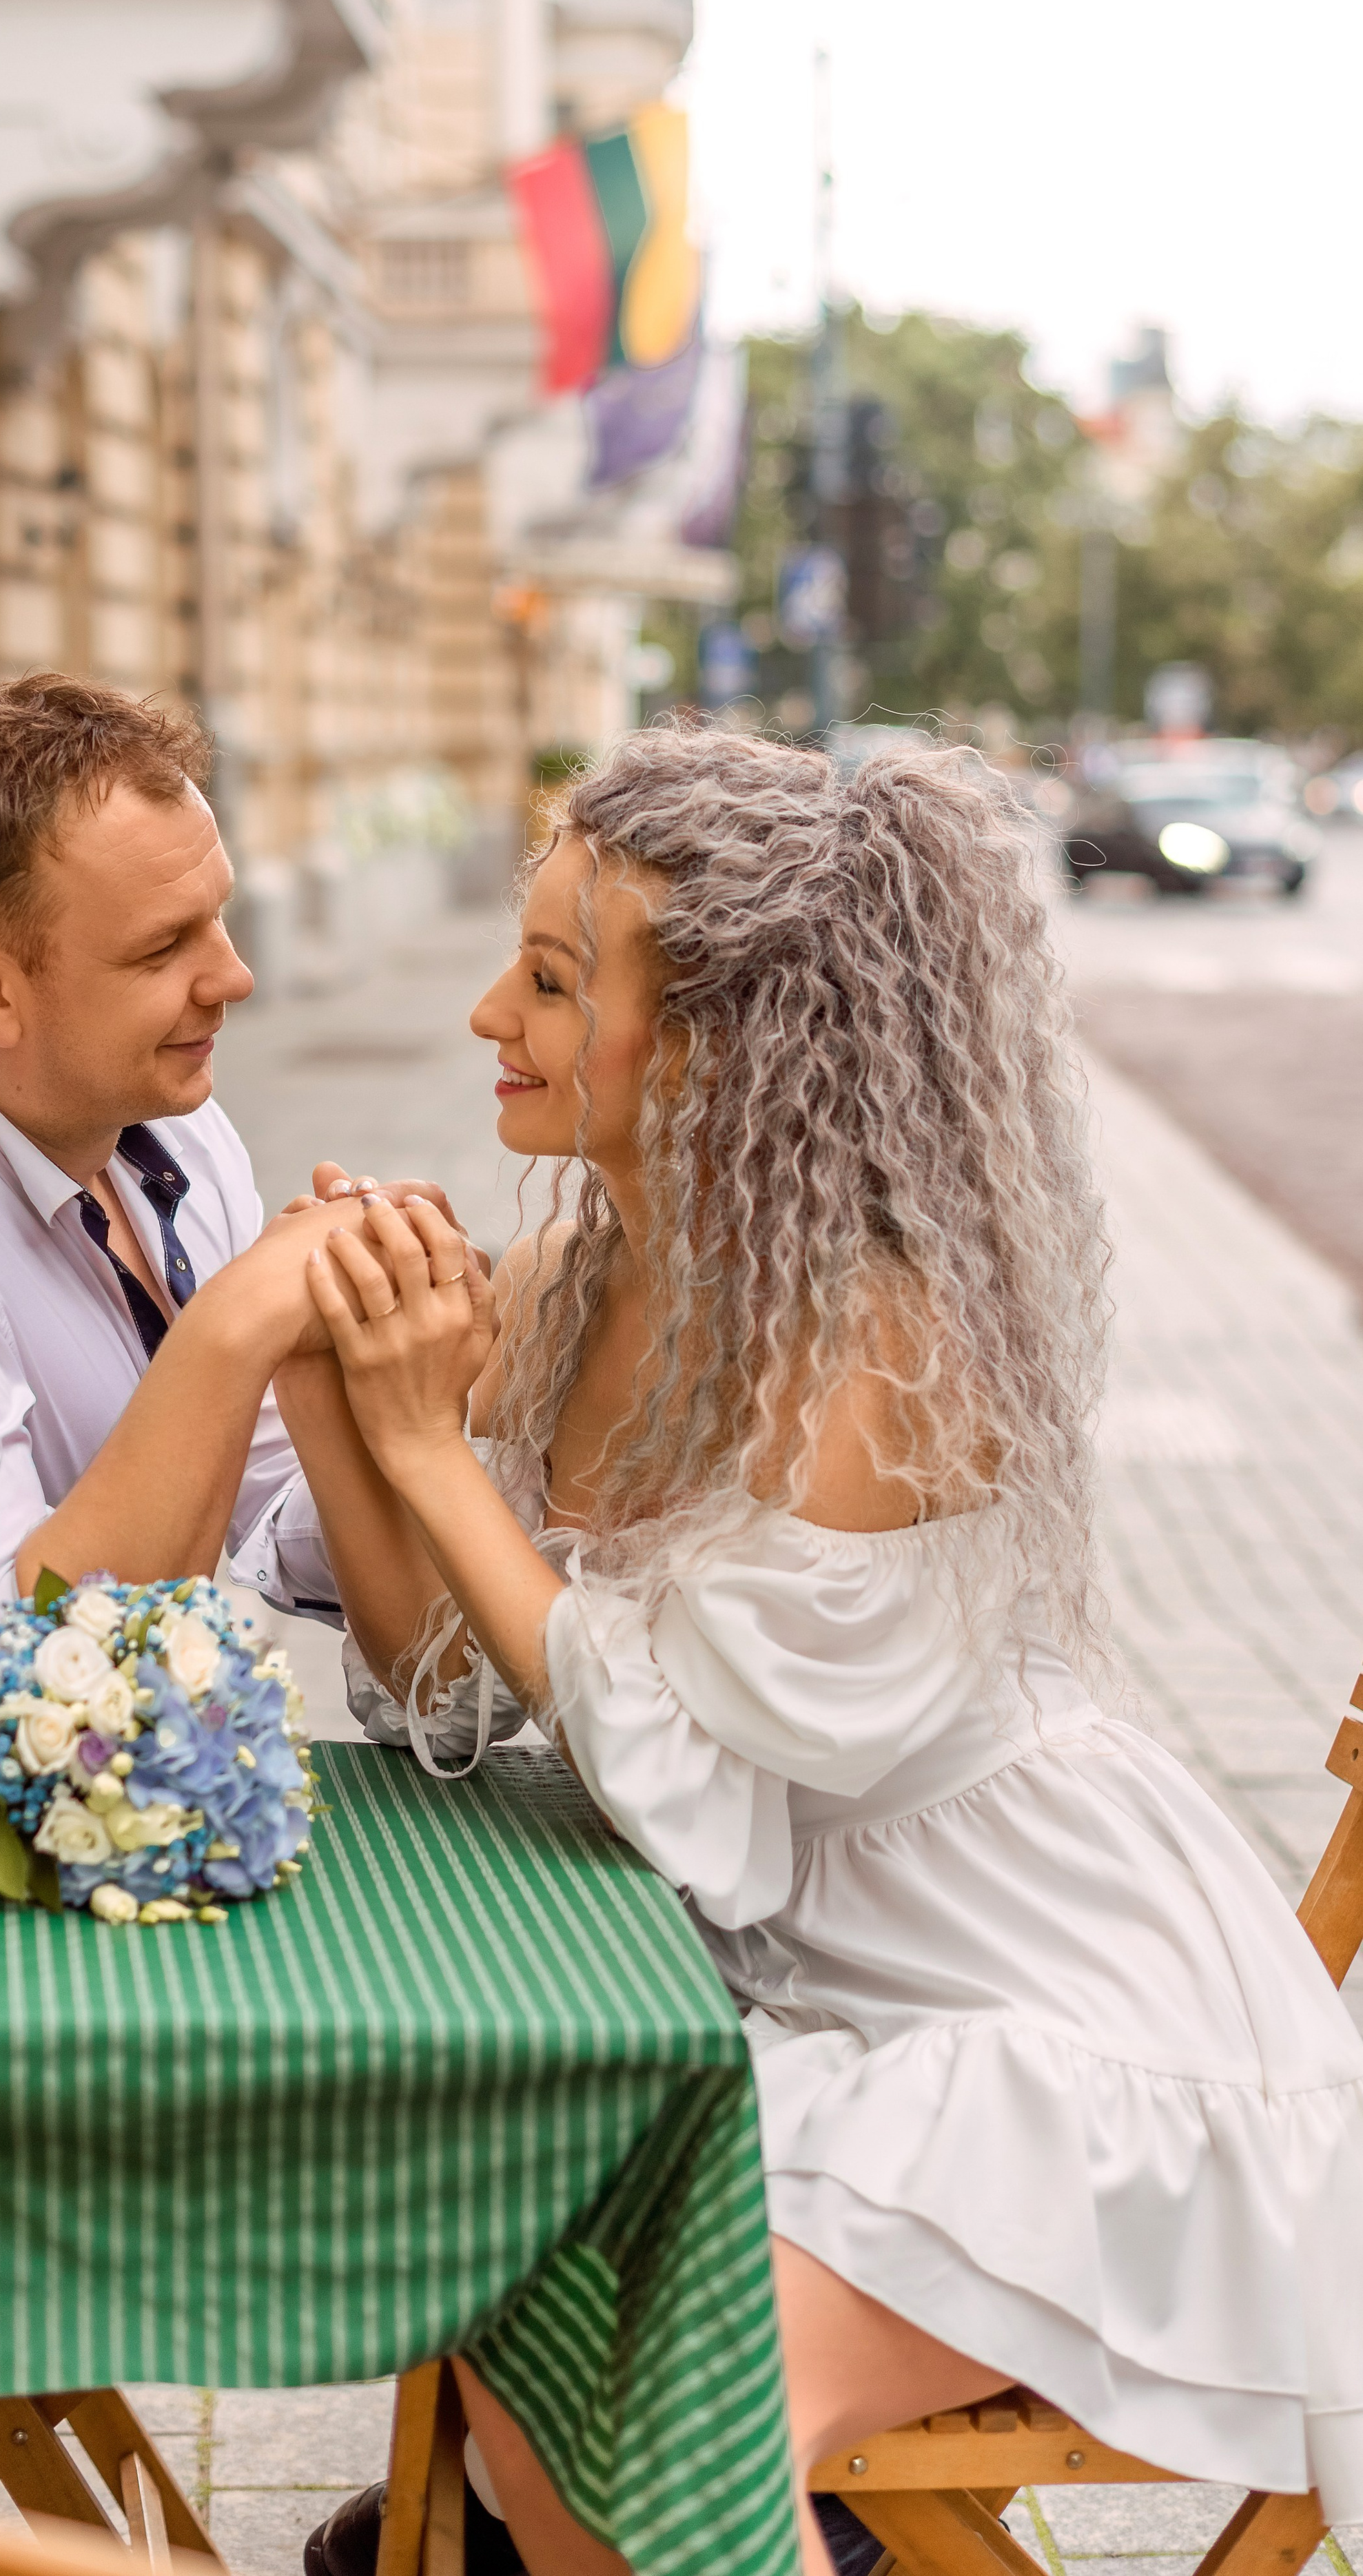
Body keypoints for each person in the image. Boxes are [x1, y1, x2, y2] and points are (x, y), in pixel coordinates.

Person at [278, 728, 1363, 2576]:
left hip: (1048, 2022)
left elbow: (683, 1781)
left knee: (670, 2404)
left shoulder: (884, 1343)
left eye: (551, 978)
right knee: (532, 2341)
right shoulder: (578, 1283)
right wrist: (335, 1398)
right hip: (813, 2004)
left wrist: (422, 1449)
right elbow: (464, 1691)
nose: (486, 1011)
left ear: (719, 1041)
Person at [0, 672, 449, 1732]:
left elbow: (271, 1512)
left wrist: (374, 1390)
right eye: (163, 947)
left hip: (152, 1788)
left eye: (220, 918)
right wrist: (238, 1327)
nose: (235, 977)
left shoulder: (167, 1121)